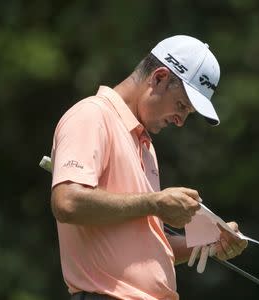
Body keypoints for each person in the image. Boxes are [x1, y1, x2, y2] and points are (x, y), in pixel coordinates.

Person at [49, 35, 248, 300]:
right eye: (181, 106)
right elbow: (67, 202)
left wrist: (209, 243)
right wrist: (155, 203)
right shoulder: (91, 115)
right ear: (159, 77)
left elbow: (148, 246)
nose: (180, 121)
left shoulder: (145, 146)